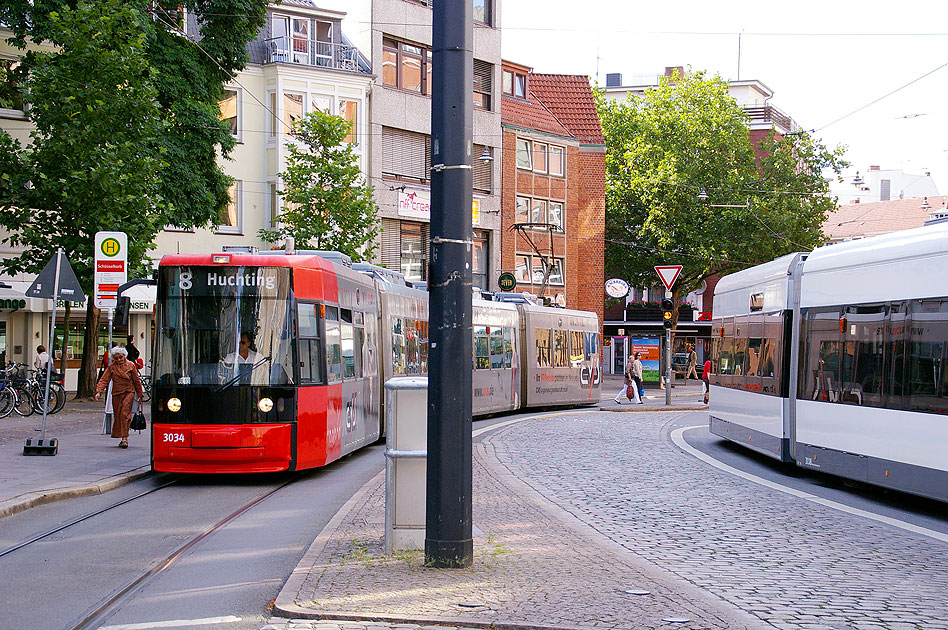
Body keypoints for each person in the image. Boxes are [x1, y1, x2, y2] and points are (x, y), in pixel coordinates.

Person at [94, 346, 144, 449]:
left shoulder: (131, 366)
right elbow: (104, 379)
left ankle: (124, 438)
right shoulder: (112, 367)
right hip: (116, 393)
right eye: (116, 358)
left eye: (120, 357)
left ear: (124, 355)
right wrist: (99, 392)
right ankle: (121, 436)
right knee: (118, 415)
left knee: (125, 414)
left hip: (128, 392)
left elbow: (136, 380)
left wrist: (140, 394)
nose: (119, 360)